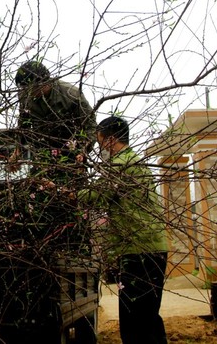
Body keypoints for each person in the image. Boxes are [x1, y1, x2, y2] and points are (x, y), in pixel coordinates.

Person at [78, 116, 169, 344]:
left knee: (133, 323)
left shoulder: (121, 165)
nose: (100, 151)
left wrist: (66, 193)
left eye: (99, 144)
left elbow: (95, 195)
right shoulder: (135, 162)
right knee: (148, 317)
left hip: (138, 251)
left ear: (109, 141)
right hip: (152, 248)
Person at [6, 60, 96, 185]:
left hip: (71, 153)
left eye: (30, 88)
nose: (28, 93)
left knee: (72, 193)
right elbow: (23, 124)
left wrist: (84, 150)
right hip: (42, 154)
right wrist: (17, 152)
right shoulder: (24, 96)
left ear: (43, 82)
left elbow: (90, 126)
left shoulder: (71, 94)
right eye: (24, 88)